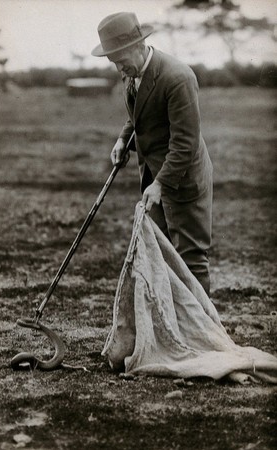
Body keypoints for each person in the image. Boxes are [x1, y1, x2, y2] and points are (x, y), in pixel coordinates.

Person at [91, 12, 213, 295]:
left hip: (183, 180)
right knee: (163, 254)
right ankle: (175, 329)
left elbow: (186, 143)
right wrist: (123, 140)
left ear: (136, 46)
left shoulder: (177, 77)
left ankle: (204, 332)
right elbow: (138, 117)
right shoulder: (131, 73)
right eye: (113, 64)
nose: (119, 70)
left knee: (191, 259)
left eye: (119, 61)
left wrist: (160, 183)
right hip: (154, 178)